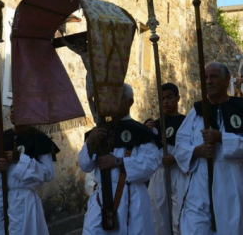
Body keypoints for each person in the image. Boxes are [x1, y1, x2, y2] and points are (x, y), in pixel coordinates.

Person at [174, 62, 243, 235]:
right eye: (205, 78)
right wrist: (197, 151)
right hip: (200, 181)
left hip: (231, 180)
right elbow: (180, 145)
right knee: (195, 228)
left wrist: (222, 138)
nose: (208, 81)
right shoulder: (196, 112)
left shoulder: (241, 108)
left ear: (226, 80)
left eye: (213, 77)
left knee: (232, 228)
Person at [79, 84, 159, 235]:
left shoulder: (141, 132)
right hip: (102, 198)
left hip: (132, 196)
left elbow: (150, 163)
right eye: (113, 97)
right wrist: (90, 142)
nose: (115, 101)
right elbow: (85, 165)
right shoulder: (100, 131)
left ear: (130, 102)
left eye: (120, 97)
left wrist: (118, 162)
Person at [0, 104, 59, 235]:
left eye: (17, 108)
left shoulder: (39, 138)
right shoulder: (2, 138)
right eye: (11, 108)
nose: (13, 111)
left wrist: (21, 160)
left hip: (22, 202)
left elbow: (47, 173)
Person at [148, 83, 186, 235]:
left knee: (179, 215)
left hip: (178, 173)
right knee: (160, 218)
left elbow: (190, 147)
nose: (166, 102)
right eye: (162, 98)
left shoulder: (186, 122)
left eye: (169, 97)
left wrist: (176, 159)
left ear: (178, 98)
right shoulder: (155, 125)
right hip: (159, 176)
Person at [60, 32, 97, 124]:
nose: (79, 49)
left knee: (98, 97)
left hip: (97, 76)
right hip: (90, 77)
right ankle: (95, 116)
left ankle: (99, 115)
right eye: (78, 47)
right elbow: (72, 48)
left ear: (84, 45)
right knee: (89, 97)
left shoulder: (93, 51)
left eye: (80, 46)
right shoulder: (81, 53)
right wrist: (63, 41)